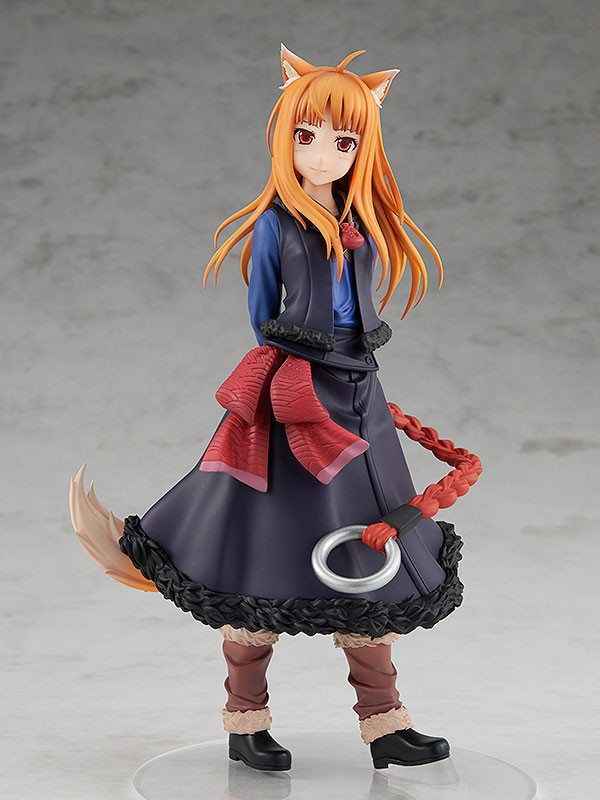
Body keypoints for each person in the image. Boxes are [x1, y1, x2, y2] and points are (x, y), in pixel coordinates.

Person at [71, 45, 475, 772]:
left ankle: (385, 725)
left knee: (370, 549)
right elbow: (262, 312)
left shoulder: (360, 220)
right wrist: (295, 374)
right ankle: (246, 721)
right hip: (295, 394)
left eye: (342, 142)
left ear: (362, 148)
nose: (321, 154)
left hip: (359, 391)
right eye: (305, 135)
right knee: (259, 549)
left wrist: (350, 369)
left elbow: (360, 300)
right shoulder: (276, 226)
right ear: (285, 135)